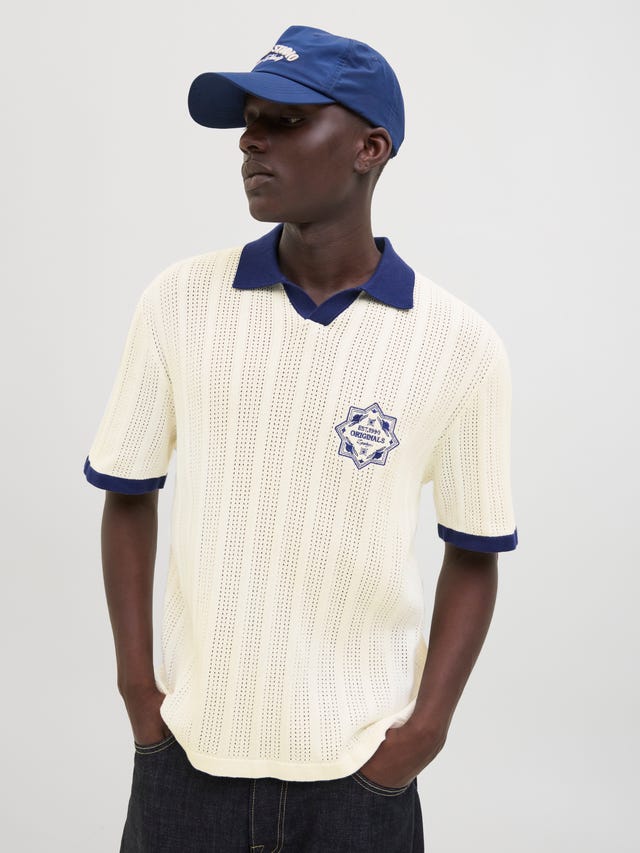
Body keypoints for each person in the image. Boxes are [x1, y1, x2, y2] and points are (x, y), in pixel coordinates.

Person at [83, 24, 518, 853]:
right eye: (250, 120)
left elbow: (474, 550)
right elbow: (128, 492)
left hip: (361, 778)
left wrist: (422, 734)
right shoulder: (179, 301)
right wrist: (139, 688)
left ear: (369, 148)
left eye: (284, 121)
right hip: (187, 758)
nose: (251, 141)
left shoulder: (459, 345)